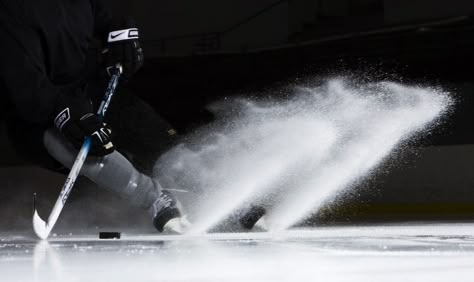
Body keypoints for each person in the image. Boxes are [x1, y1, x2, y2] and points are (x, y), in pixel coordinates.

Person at [0, 0, 188, 233]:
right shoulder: (11, 10)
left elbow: (106, 18)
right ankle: (156, 199)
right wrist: (61, 110)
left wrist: (121, 34)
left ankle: (240, 206)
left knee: (162, 143)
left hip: (91, 89)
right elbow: (26, 86)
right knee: (81, 147)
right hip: (40, 114)